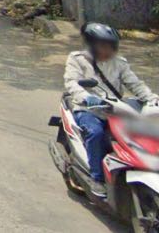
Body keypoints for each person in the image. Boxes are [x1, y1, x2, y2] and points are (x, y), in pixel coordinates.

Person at [64, 22, 159, 198]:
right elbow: (72, 83)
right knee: (96, 133)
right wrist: (86, 97)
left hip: (116, 110)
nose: (107, 50)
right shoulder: (77, 59)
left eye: (110, 46)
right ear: (91, 45)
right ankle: (97, 178)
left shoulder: (119, 63)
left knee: (144, 135)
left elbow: (135, 84)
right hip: (89, 110)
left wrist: (152, 99)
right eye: (102, 45)